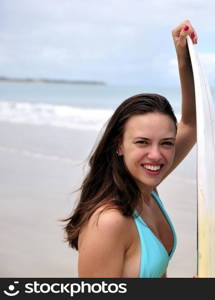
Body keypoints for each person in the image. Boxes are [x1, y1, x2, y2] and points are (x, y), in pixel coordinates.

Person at [63, 20, 198, 278]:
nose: (156, 155)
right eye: (142, 142)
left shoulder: (147, 189)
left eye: (167, 143)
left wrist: (183, 57)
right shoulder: (109, 222)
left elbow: (191, 125)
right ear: (119, 146)